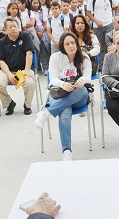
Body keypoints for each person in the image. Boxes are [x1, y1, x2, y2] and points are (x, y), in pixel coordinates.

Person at [34, 32, 91, 161]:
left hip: (78, 96)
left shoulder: (85, 58)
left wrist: (82, 80)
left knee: (82, 91)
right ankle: (66, 152)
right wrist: (63, 84)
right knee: (65, 110)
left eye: (73, 43)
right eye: (67, 44)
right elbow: (52, 78)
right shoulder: (55, 57)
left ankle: (47, 113)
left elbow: (88, 77)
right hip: (59, 94)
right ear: (62, 46)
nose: (71, 46)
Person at [0, 17, 37, 116]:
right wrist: (9, 75)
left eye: (15, 26)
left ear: (18, 27)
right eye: (10, 27)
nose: (13, 29)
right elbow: (1, 61)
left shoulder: (26, 37)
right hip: (7, 70)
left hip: (24, 69)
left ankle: (27, 105)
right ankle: (9, 103)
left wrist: (27, 70)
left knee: (30, 83)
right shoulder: (1, 42)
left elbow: (29, 54)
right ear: (5, 29)